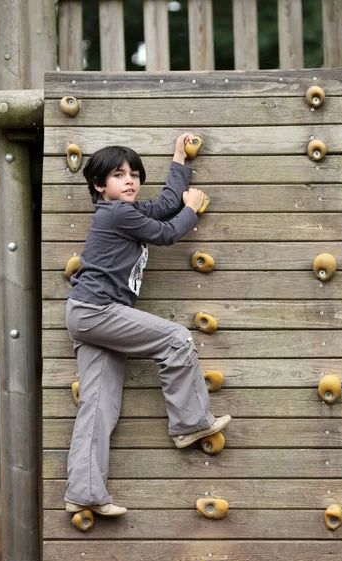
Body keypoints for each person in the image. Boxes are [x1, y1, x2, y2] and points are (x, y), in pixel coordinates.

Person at [64, 133, 231, 516]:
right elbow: (168, 232)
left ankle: (83, 492)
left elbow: (164, 205)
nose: (130, 180)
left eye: (135, 174)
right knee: (175, 338)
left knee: (98, 405)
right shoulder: (116, 212)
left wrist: (179, 160)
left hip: (89, 316)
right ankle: (190, 423)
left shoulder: (126, 213)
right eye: (119, 175)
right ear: (98, 185)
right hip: (97, 310)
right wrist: (192, 211)